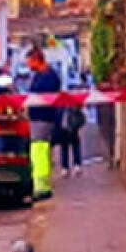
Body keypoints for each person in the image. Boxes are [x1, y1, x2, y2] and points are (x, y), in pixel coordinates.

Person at [26, 48, 61, 200]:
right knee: (39, 151)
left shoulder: (49, 77)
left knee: (39, 150)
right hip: (37, 118)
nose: (28, 66)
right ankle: (40, 184)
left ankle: (41, 186)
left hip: (43, 118)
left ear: (36, 60)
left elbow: (45, 97)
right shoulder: (39, 75)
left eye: (29, 62)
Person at [57, 102, 86, 177]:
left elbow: (81, 117)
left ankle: (74, 165)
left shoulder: (72, 106)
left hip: (72, 129)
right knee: (66, 148)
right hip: (64, 130)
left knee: (73, 146)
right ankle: (66, 167)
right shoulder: (61, 107)